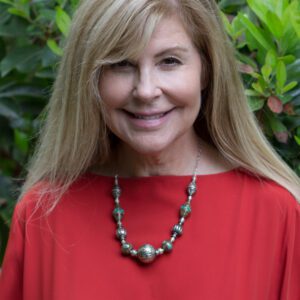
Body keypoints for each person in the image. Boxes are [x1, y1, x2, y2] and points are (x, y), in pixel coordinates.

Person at [0, 0, 299, 299]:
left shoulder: (276, 214)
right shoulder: (44, 214)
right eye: (121, 63)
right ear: (89, 79)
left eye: (169, 61)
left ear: (206, 71)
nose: (145, 90)